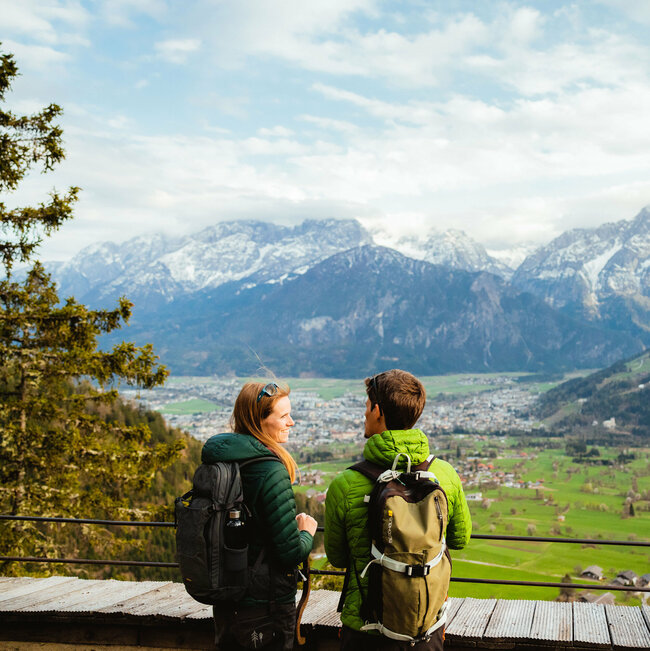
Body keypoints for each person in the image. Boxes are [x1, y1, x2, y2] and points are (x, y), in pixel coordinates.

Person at [325, 369, 472, 650]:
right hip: (427, 627)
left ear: (378, 411)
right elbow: (459, 540)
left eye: (366, 406)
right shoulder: (445, 475)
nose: (364, 413)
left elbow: (338, 557)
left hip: (365, 630)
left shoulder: (345, 484)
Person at [202, 381, 317, 651]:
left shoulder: (221, 461)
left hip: (227, 598)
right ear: (259, 421)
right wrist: (306, 532)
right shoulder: (270, 470)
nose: (292, 422)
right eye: (284, 416)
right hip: (265, 604)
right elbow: (289, 552)